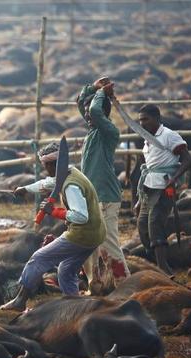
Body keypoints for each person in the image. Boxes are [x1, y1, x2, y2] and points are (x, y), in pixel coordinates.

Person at [1, 140, 107, 311]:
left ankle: (20, 300)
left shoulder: (71, 185)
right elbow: (47, 183)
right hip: (95, 234)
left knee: (39, 258)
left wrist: (54, 211)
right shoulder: (70, 173)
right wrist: (25, 188)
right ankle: (75, 307)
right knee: (65, 270)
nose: (45, 169)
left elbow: (81, 216)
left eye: (47, 165)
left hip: (82, 234)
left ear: (55, 164)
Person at [77, 77, 130, 292]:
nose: (87, 114)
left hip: (106, 196)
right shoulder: (93, 130)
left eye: (91, 110)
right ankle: (95, 285)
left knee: (109, 244)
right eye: (87, 112)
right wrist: (94, 88)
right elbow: (82, 104)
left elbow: (96, 112)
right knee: (89, 243)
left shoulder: (109, 132)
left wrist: (100, 95)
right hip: (93, 196)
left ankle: (125, 286)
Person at [134, 104, 191, 275]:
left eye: (146, 119)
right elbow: (148, 169)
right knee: (142, 226)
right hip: (148, 187)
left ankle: (163, 269)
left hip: (163, 187)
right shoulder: (147, 140)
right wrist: (139, 199)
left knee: (155, 224)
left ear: (157, 119)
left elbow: (188, 160)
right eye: (140, 120)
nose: (142, 123)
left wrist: (174, 179)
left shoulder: (169, 135)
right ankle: (158, 263)